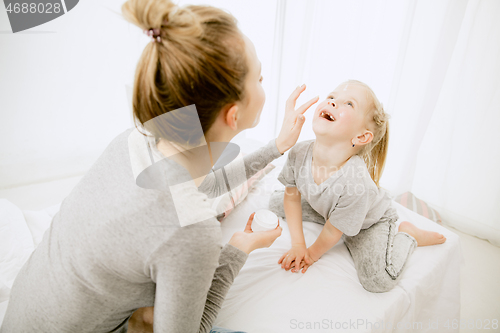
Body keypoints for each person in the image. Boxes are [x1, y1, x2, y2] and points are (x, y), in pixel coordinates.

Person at [0, 0, 320, 332]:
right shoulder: (193, 232)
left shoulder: (131, 141)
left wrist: (276, 148)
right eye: (260, 76)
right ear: (233, 115)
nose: (264, 80)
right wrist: (239, 248)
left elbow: (196, 188)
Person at [270, 80, 446, 293]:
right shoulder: (299, 152)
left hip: (368, 223)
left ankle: (409, 235)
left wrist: (310, 253)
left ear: (361, 136)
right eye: (332, 97)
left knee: (378, 281)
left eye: (349, 104)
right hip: (332, 211)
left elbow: (333, 232)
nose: (333, 103)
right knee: (275, 202)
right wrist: (298, 243)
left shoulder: (357, 182)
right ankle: (338, 216)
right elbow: (291, 197)